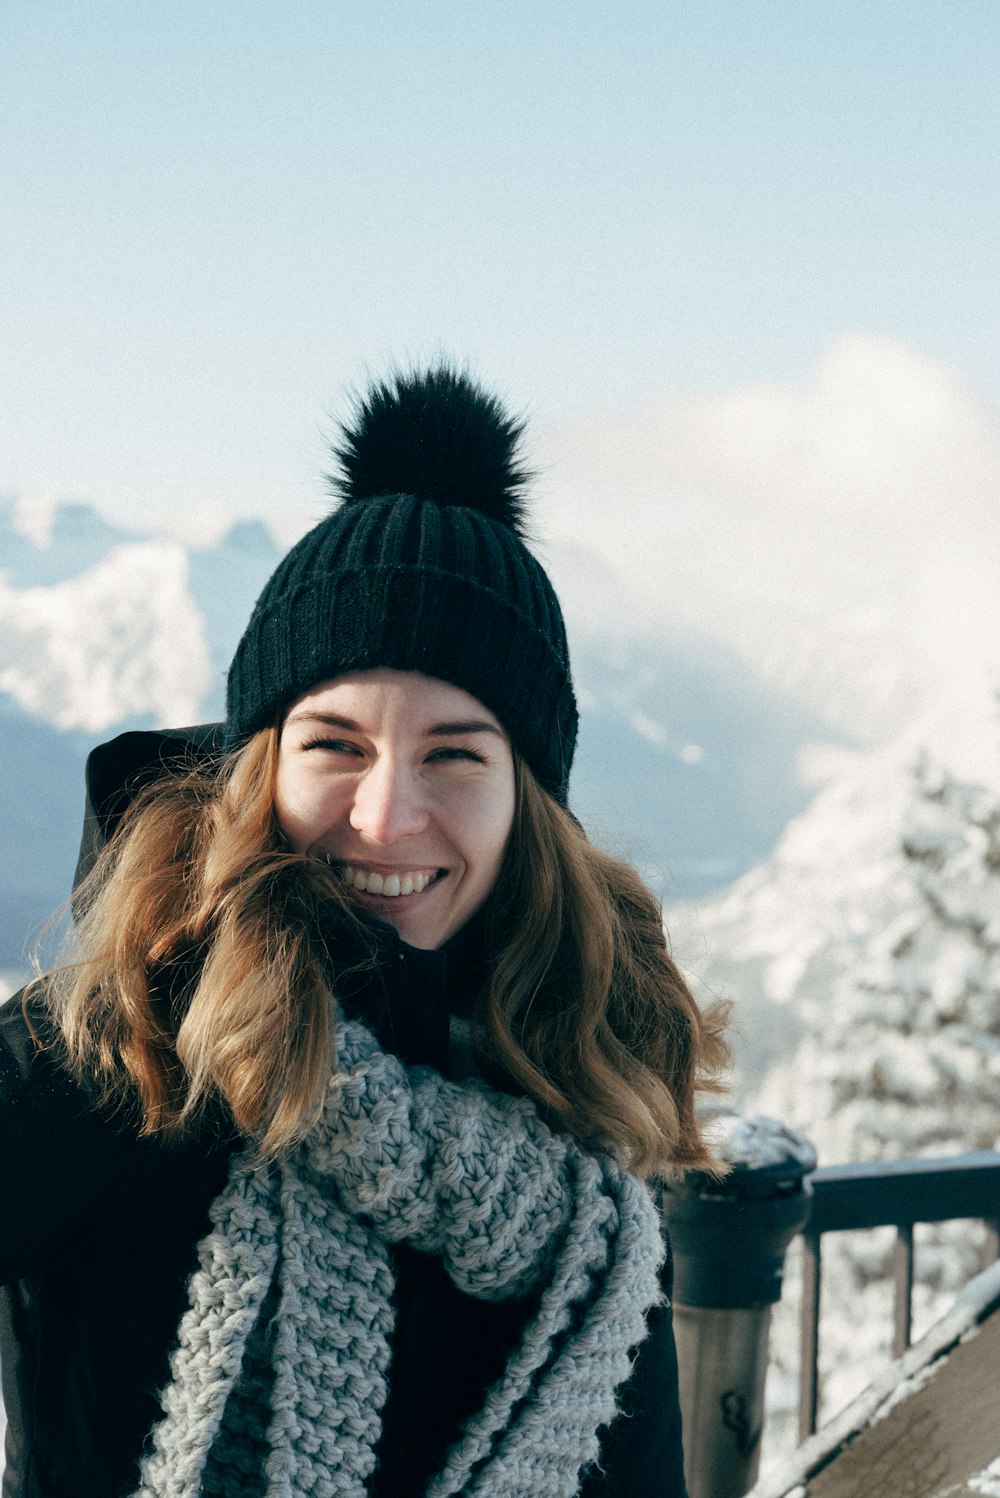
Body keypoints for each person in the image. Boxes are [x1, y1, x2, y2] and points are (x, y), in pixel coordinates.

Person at [0, 365, 729, 1498]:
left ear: (530, 797)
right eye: (335, 743)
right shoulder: (121, 1051)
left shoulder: (591, 1118)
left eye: (453, 752)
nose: (387, 814)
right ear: (262, 765)